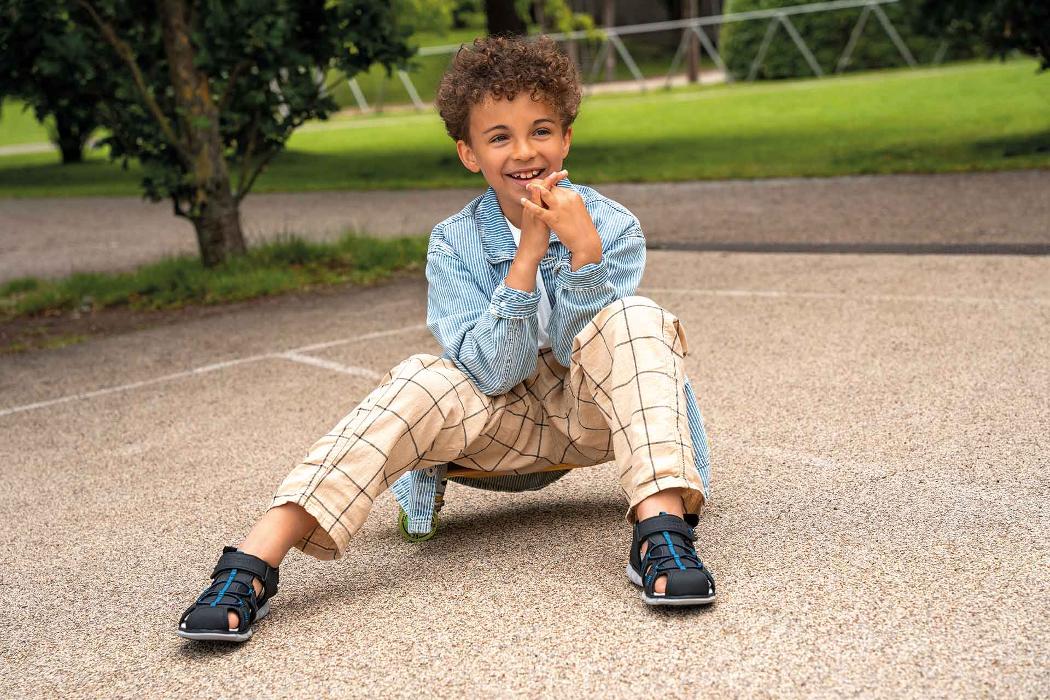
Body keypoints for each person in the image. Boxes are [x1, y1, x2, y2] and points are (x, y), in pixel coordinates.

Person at [177, 35, 716, 643]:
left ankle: (662, 537)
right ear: (469, 153)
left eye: (541, 131)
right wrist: (528, 258)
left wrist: (582, 251)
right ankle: (251, 564)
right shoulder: (452, 243)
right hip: (497, 431)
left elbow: (576, 349)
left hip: (590, 416)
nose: (524, 152)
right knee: (420, 374)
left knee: (637, 317)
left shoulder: (613, 225)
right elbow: (491, 372)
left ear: (566, 137)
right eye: (499, 137)